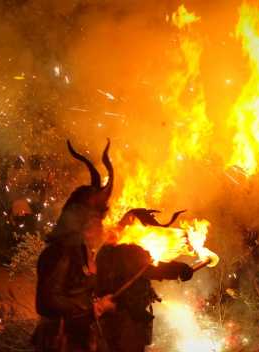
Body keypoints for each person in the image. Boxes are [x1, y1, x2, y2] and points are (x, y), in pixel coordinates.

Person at [32, 140, 115, 352]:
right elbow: (46, 301)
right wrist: (93, 309)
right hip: (61, 342)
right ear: (83, 219)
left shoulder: (82, 248)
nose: (102, 224)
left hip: (80, 338)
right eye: (98, 218)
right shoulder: (60, 253)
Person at [95, 209, 193, 352]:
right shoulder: (127, 249)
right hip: (125, 319)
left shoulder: (106, 248)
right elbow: (152, 268)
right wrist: (181, 270)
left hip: (109, 319)